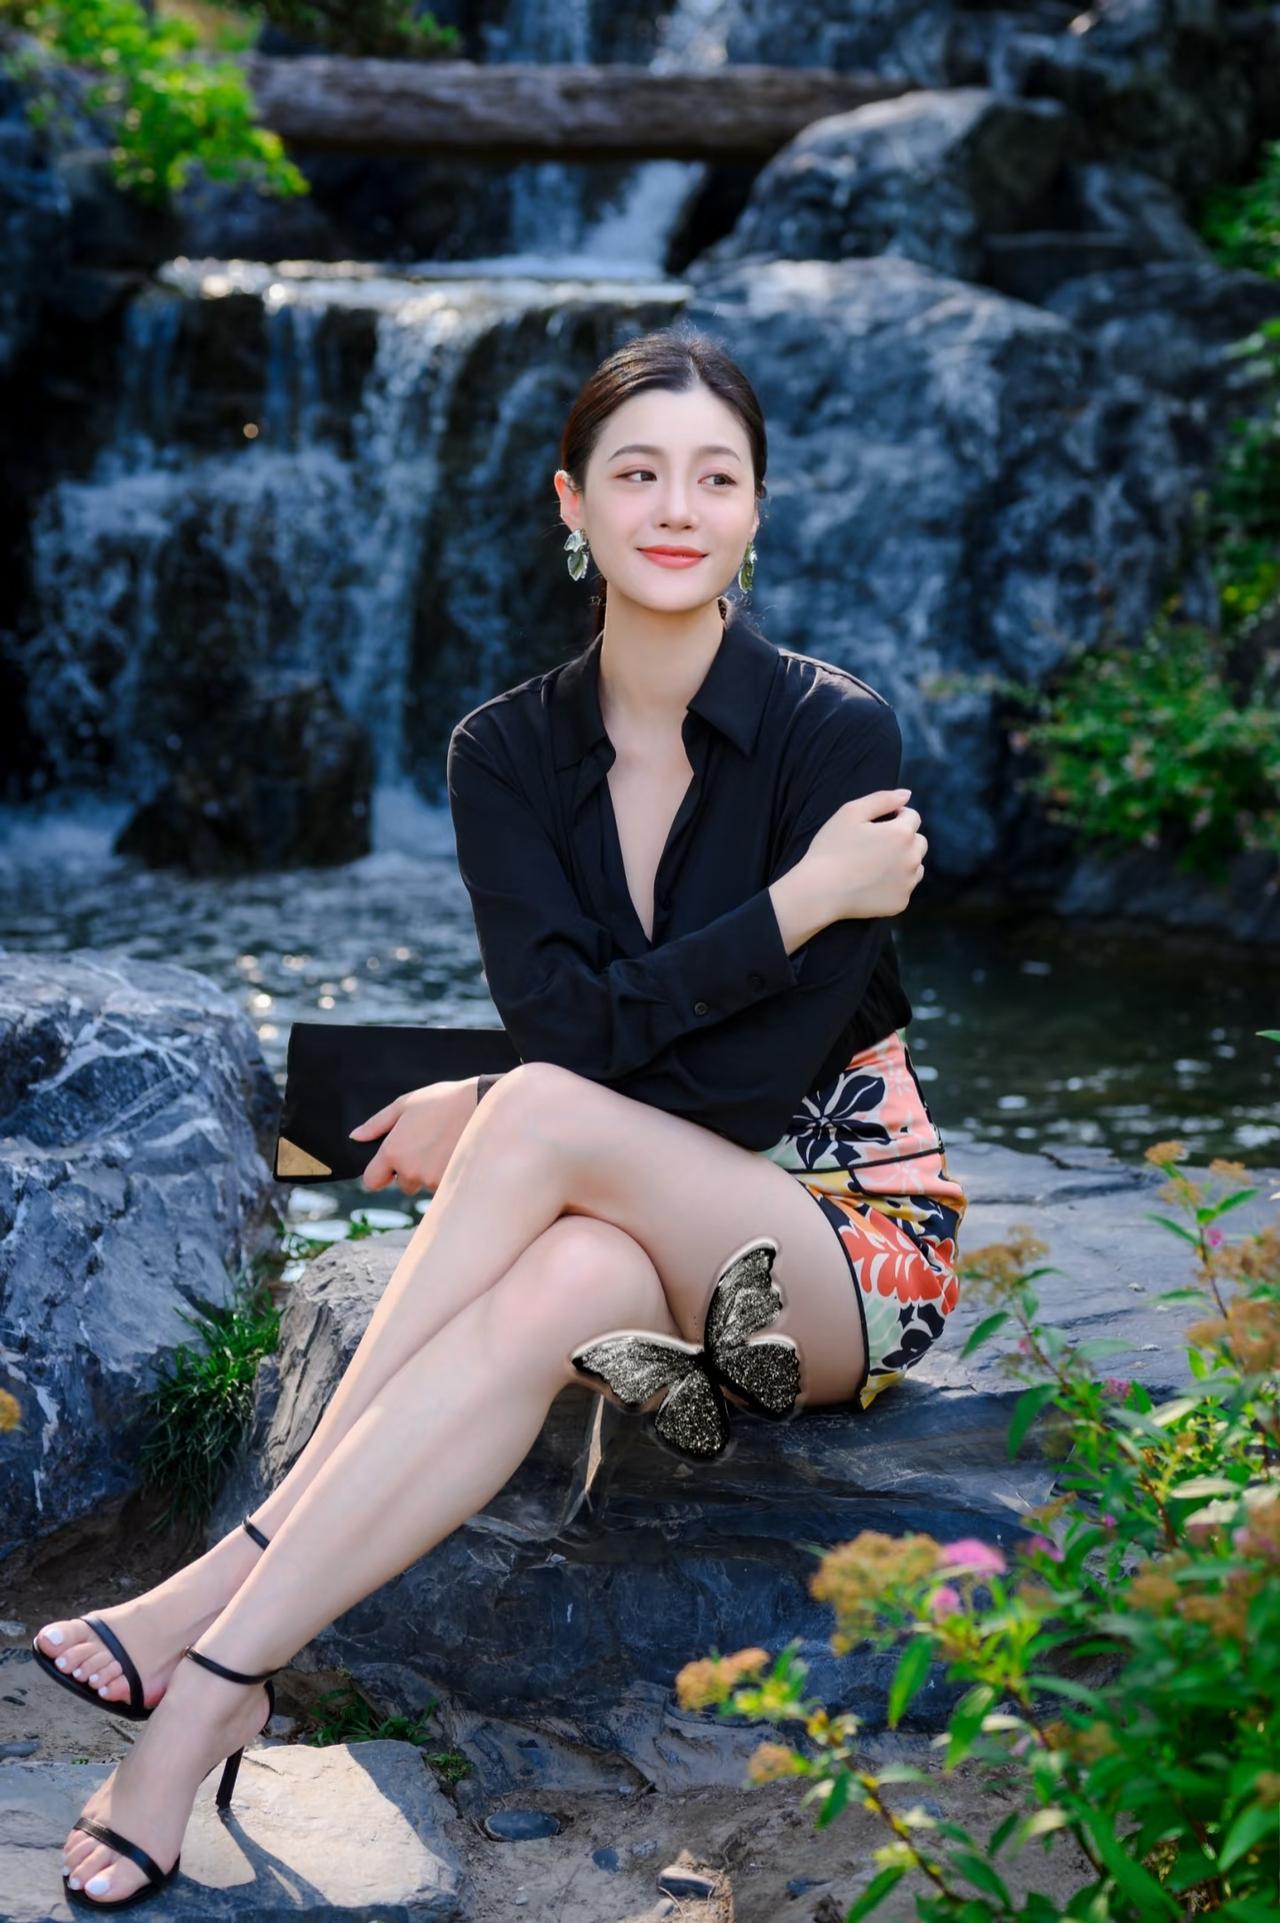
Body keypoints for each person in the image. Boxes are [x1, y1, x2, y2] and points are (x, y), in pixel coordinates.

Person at [39, 324, 967, 1908]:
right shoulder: (504, 753)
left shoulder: (836, 736)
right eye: (637, 474)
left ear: (758, 510)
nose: (676, 508)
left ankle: (211, 1605)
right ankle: (226, 1686)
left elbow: (737, 1085)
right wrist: (794, 905)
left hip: (838, 1248)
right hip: (629, 1236)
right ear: (571, 503)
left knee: (534, 1113)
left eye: (716, 478)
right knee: (561, 1273)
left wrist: (533, 1082)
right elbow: (566, 1035)